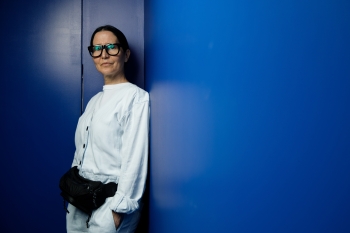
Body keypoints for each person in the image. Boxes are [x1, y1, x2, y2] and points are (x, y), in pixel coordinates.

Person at [66, 25, 149, 233]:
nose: (104, 55)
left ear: (126, 54)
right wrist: (73, 188)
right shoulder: (94, 101)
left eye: (111, 47)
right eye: (97, 49)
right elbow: (81, 150)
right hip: (80, 200)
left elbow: (135, 157)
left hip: (111, 204)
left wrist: (120, 208)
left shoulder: (135, 97)